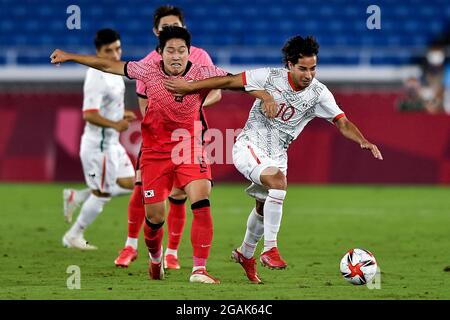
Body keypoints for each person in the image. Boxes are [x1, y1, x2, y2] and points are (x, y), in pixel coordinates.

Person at [51, 26, 273, 283]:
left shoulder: (202, 73)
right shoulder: (147, 71)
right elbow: (108, 65)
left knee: (201, 201)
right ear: (161, 53)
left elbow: (235, 80)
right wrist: (69, 56)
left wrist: (265, 94)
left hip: (188, 147)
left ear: (189, 53)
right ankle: (156, 260)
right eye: (171, 51)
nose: (176, 56)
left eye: (182, 51)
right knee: (155, 218)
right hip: (155, 152)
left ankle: (198, 270)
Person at [164, 35, 384, 284]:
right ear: (289, 64)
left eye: (313, 68)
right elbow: (228, 81)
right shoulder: (269, 77)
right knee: (278, 184)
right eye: (303, 68)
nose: (308, 75)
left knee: (263, 206)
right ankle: (270, 249)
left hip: (279, 154)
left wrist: (362, 140)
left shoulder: (319, 93)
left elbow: (341, 121)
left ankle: (245, 253)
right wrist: (188, 87)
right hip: (250, 145)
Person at [114, 5, 222, 270]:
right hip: (158, 141)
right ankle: (130, 246)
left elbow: (216, 92)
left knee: (180, 196)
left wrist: (187, 104)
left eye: (176, 25)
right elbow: (143, 105)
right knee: (142, 189)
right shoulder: (148, 64)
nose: (171, 31)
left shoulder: (199, 56)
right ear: (156, 32)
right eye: (164, 27)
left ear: (184, 28)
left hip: (189, 138)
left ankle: (172, 253)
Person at [62, 28, 137, 250]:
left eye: (118, 49)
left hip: (112, 143)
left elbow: (107, 106)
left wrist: (120, 115)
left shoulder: (116, 71)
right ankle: (73, 235)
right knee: (103, 194)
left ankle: (79, 195)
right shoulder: (95, 75)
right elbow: (89, 114)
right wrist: (116, 124)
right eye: (108, 51)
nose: (115, 55)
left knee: (132, 183)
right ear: (97, 51)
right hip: (100, 147)